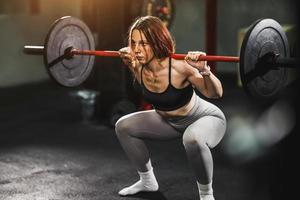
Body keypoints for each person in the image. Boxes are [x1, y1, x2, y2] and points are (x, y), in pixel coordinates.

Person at [115, 16, 226, 200]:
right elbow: (135, 64)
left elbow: (215, 93)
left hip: (205, 118)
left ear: (157, 42)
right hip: (169, 121)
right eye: (133, 43)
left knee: (193, 138)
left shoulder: (180, 68)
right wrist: (131, 62)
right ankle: (148, 181)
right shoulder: (139, 67)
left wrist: (204, 71)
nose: (137, 49)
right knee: (123, 126)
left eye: (144, 43)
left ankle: (206, 195)